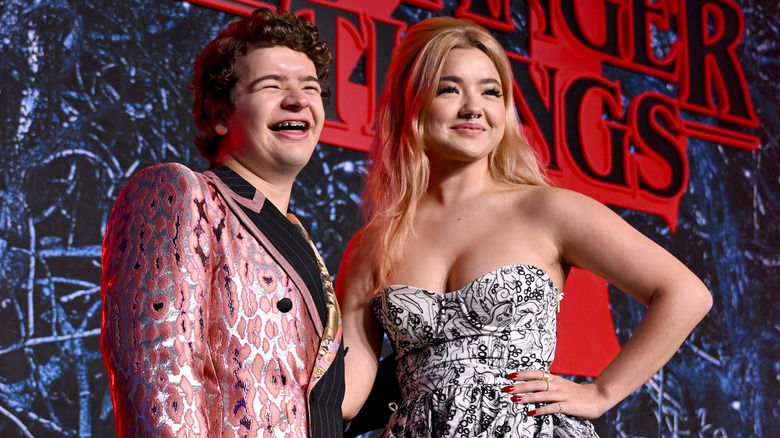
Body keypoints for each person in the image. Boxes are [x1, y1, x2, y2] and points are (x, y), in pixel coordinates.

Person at [336, 16, 712, 437]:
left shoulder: (548, 210)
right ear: (413, 102)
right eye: (449, 88)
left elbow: (685, 294)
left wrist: (602, 392)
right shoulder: (372, 244)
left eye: (491, 91)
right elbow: (349, 392)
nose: (473, 107)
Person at [100, 8, 344, 437]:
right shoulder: (179, 192)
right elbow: (162, 381)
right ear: (218, 114)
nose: (298, 100)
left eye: (310, 87)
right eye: (272, 85)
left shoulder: (298, 237)